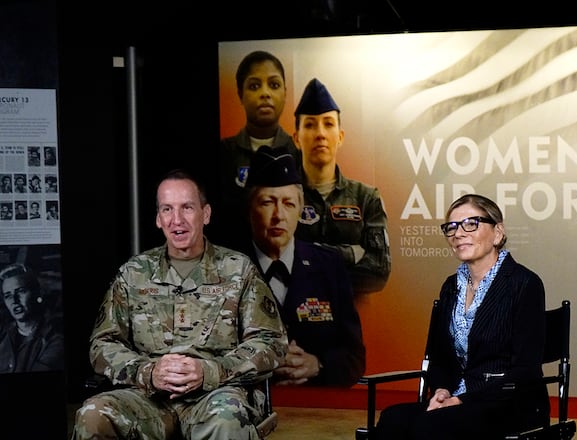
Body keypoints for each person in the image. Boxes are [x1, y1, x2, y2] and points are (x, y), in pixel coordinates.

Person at [71, 169, 289, 440]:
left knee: (227, 418)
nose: (177, 220)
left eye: (187, 208)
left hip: (215, 396)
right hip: (147, 399)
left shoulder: (238, 270)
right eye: (167, 209)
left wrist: (210, 371)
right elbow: (102, 345)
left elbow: (272, 343)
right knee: (93, 414)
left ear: (205, 214)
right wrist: (148, 372)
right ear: (158, 219)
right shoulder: (133, 274)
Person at [374, 194, 549, 439]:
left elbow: (525, 370)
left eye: (471, 223)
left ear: (497, 232)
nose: (458, 233)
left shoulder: (524, 284)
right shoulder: (450, 287)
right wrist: (443, 390)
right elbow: (441, 359)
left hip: (507, 402)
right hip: (457, 397)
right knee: (393, 419)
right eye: (452, 227)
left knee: (431, 427)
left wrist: (462, 400)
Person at [244, 149, 365, 387]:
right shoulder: (229, 267)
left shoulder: (329, 266)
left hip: (317, 411)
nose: (278, 215)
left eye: (288, 203)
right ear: (250, 208)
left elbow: (355, 358)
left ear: (300, 209)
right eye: (267, 203)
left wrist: (318, 364)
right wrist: (263, 365)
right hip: (247, 410)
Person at [292, 78, 391, 295]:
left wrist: (311, 261)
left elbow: (378, 272)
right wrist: (348, 254)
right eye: (309, 124)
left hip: (351, 321)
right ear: (296, 139)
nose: (320, 134)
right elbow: (277, 263)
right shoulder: (284, 198)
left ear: (340, 136)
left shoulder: (366, 198)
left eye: (328, 124)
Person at [213, 50, 301, 252]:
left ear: (285, 93)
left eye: (274, 85)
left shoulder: (298, 154)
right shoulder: (223, 153)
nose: (265, 93)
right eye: (254, 86)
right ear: (240, 94)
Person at [0, 263, 64, 373]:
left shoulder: (55, 340)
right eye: (8, 296)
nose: (14, 301)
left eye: (20, 291)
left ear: (37, 293)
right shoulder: (3, 334)